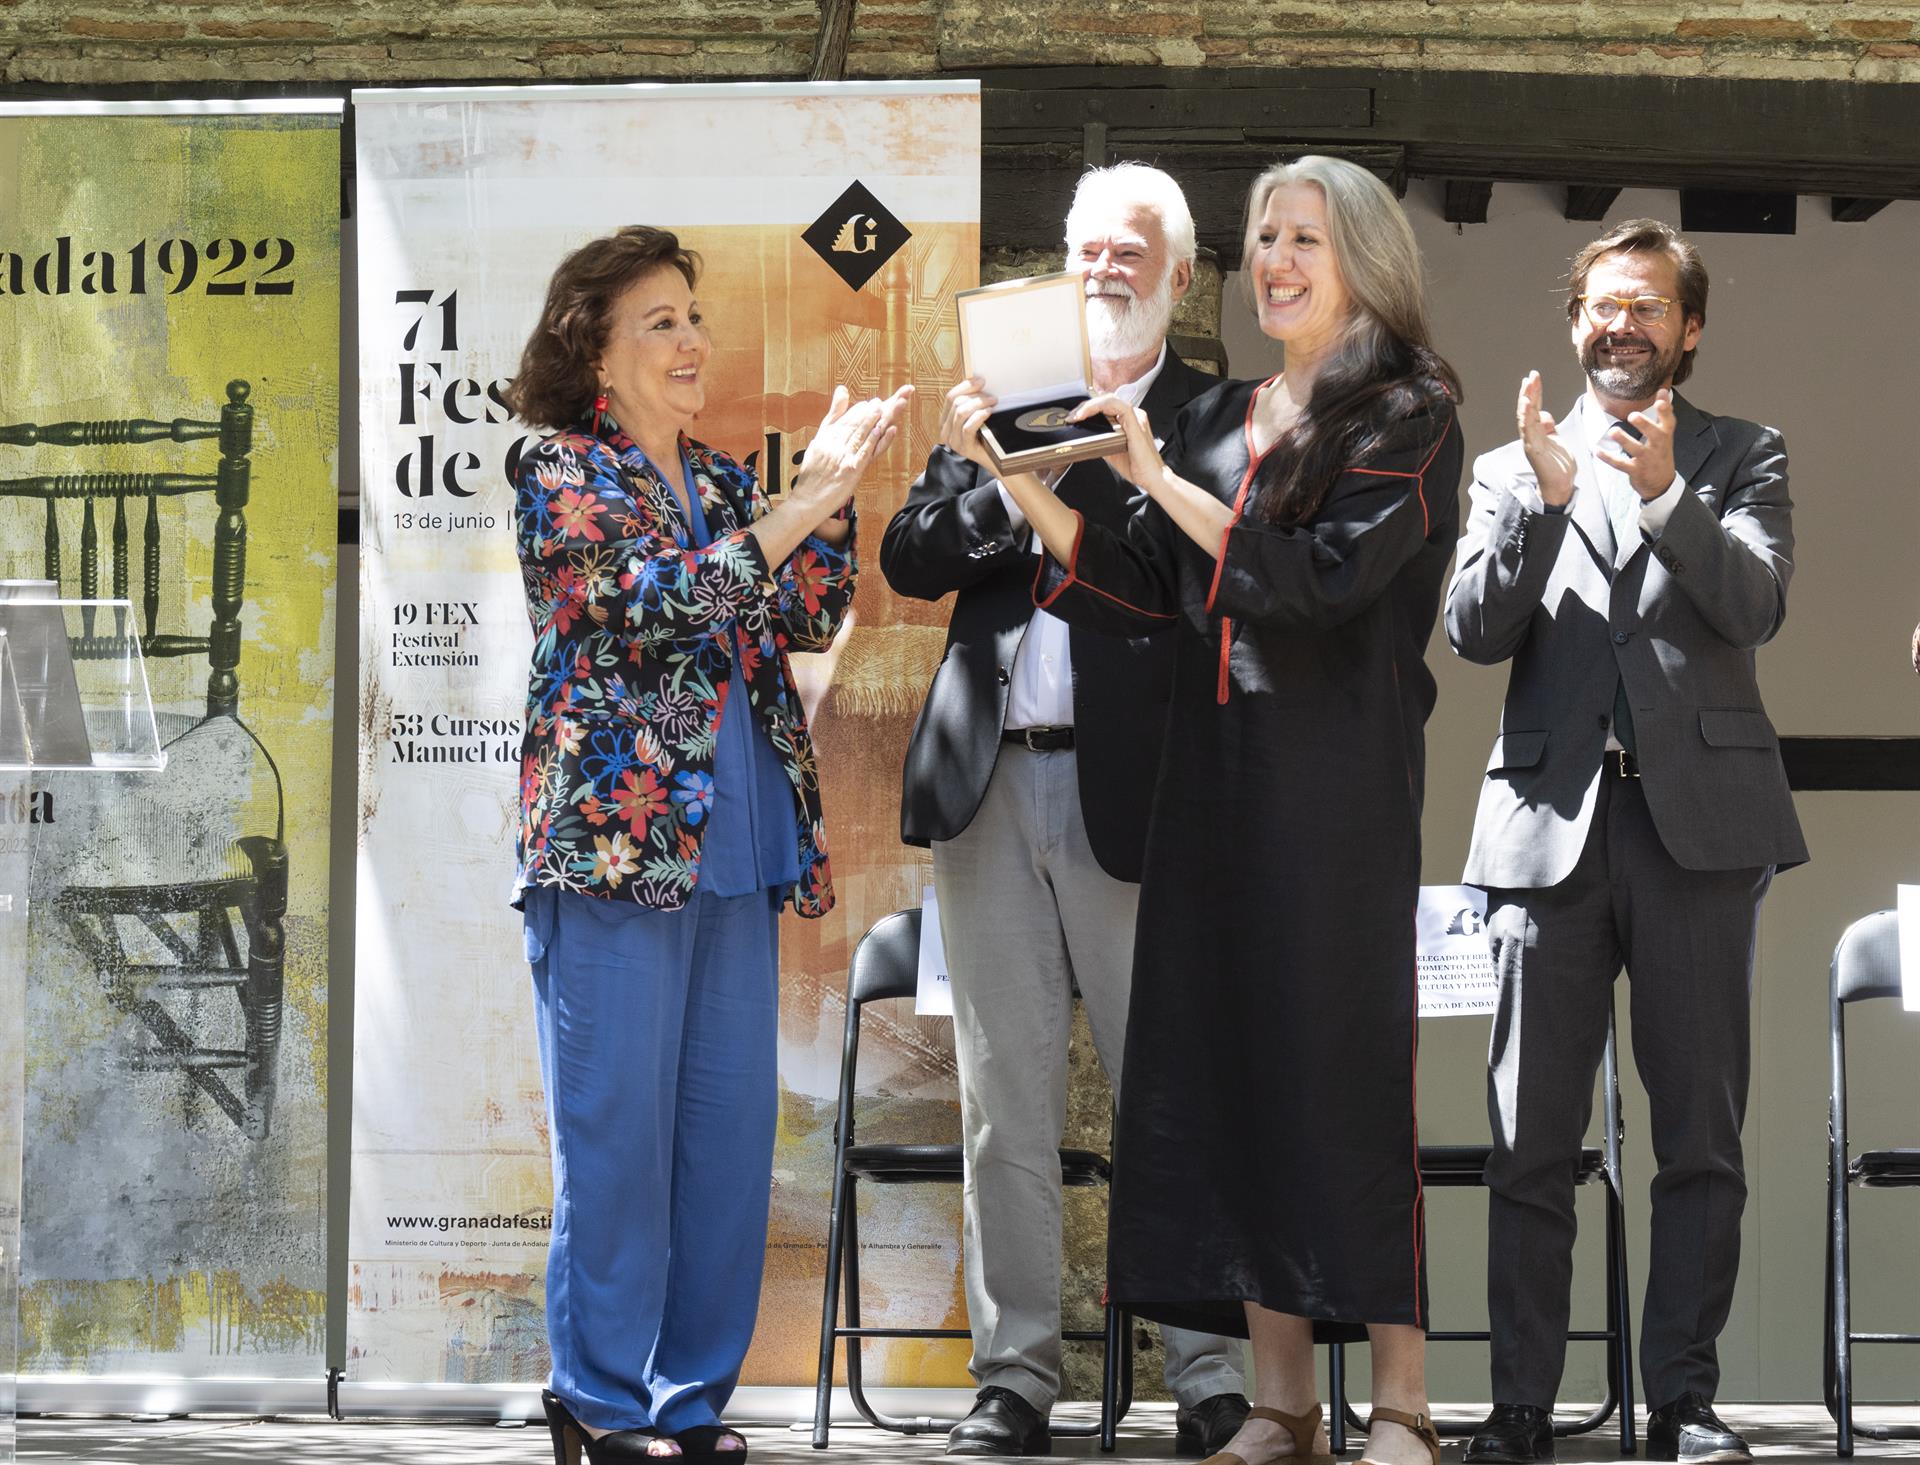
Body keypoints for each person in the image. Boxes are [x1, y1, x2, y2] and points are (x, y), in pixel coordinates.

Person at [941, 154, 1462, 1465]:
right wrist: (1009, 471)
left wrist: (1160, 476)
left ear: (1362, 256)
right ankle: (1283, 1407)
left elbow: (1315, 580)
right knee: (1230, 1086)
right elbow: (1134, 582)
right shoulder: (1231, 409)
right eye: (1265, 237)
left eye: (1305, 237)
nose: (1277, 260)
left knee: (1340, 1084)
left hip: (1336, 796)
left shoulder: (1408, 409)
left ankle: (1400, 1404)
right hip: (1212, 786)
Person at [504, 225, 910, 1464]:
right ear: (598, 355)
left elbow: (806, 605)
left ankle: (691, 1397)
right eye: (659, 323)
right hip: (616, 858)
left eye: (693, 316)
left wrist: (827, 501)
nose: (690, 341)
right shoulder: (559, 467)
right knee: (617, 1138)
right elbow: (649, 607)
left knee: (728, 1149)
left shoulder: (730, 482)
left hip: (735, 851)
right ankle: (599, 1400)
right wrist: (798, 507)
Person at [882, 163, 1249, 1459]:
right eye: (1085, 246)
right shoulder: (999, 406)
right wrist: (1000, 464)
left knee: (1174, 1092)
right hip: (989, 786)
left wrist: (1065, 466)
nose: (1103, 266)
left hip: (1142, 790)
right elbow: (912, 554)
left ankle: (1210, 1373)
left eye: (1130, 247)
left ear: (1181, 273)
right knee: (1003, 1102)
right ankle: (1015, 1375)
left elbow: (1181, 576)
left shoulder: (1215, 418)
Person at [1446, 219, 1805, 1465]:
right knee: (1527, 1138)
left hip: (1699, 832)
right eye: (1605, 305)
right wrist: (1547, 505)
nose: (1623, 325)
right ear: (1575, 321)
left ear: (1688, 332)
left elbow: (1754, 600)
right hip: (1547, 834)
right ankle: (1522, 1408)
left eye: (1649, 307)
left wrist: (1659, 491)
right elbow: (1474, 632)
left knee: (1699, 1139)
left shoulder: (1741, 454)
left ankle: (1683, 1403)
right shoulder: (1509, 466)